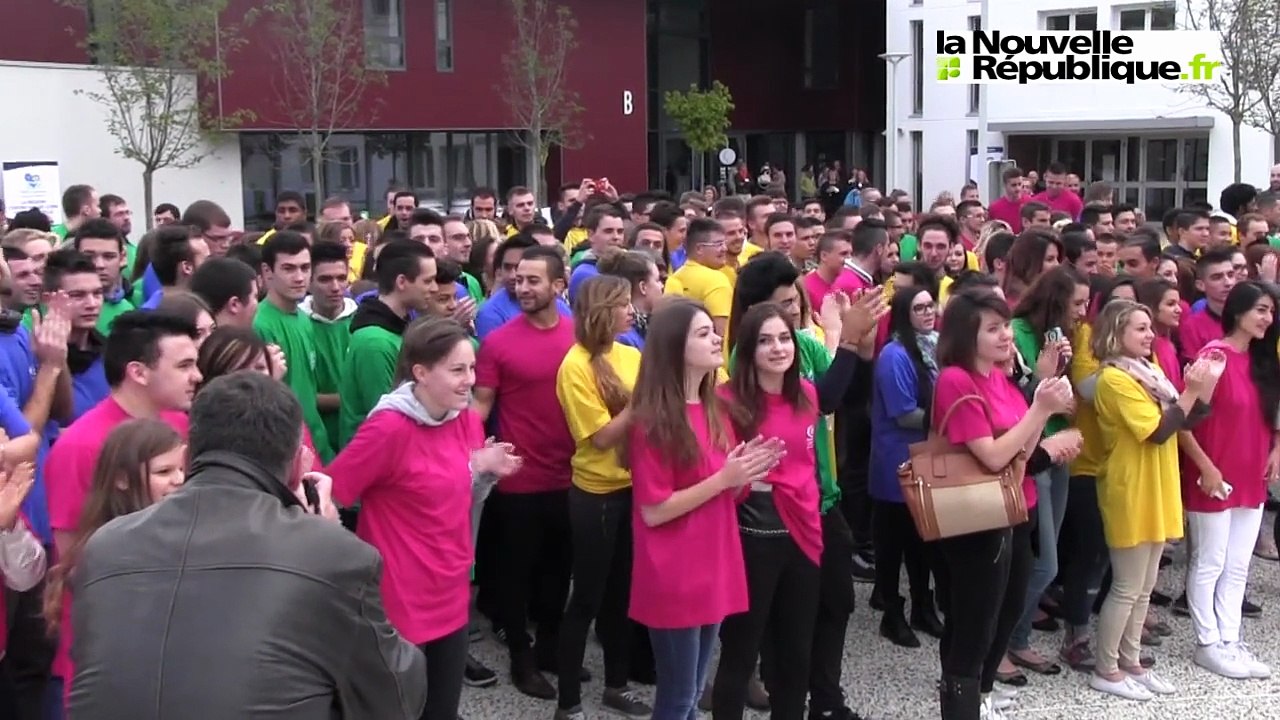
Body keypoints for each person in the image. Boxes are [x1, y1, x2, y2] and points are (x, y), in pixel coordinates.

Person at [67, 371, 427, 718]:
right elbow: (396, 696)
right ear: (296, 468)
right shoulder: (333, 554)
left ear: (188, 459)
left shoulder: (103, 547)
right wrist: (324, 532)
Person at [329, 319, 521, 720]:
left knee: (442, 710)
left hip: (450, 586)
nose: (470, 381)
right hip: (399, 596)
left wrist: (484, 471)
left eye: (472, 368)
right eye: (457, 370)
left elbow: (463, 496)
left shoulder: (466, 419)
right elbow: (331, 494)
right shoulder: (388, 428)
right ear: (420, 372)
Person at [931, 289, 1078, 718]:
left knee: (1006, 611)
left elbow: (1021, 451)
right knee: (974, 623)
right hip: (976, 516)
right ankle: (962, 704)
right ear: (967, 335)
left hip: (1013, 504)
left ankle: (982, 694)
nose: (1005, 336)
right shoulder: (956, 379)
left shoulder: (999, 376)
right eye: (993, 329)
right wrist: (1039, 409)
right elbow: (993, 456)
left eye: (1005, 326)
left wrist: (1041, 410)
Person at [1090, 299, 1215, 700]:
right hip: (1131, 487)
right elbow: (1158, 430)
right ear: (1117, 333)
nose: (1149, 335)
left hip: (1158, 483)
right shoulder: (1114, 379)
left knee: (1145, 586)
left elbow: (1183, 418)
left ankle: (1131, 661)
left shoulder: (1149, 371)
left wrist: (1202, 390)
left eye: (1149, 327)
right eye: (1140, 328)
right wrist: (1190, 392)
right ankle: (1106, 668)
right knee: (1127, 586)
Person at [471, 245, 577, 699]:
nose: (522, 286)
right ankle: (521, 656)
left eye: (533, 280)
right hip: (519, 480)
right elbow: (480, 406)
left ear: (559, 285)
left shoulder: (579, 335)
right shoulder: (498, 342)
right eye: (517, 279)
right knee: (516, 576)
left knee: (559, 572)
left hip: (571, 477)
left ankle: (550, 649)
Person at [711, 302, 824, 719]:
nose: (778, 348)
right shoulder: (727, 400)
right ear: (747, 349)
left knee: (796, 651)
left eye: (784, 338)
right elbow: (723, 475)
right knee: (741, 650)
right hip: (753, 534)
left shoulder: (807, 393)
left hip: (806, 531)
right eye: (764, 341)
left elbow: (811, 462)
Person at [554, 275, 651, 720]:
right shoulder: (575, 366)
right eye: (622, 303)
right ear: (600, 311)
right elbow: (601, 438)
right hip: (597, 495)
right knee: (587, 598)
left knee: (622, 595)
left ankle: (617, 685)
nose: (630, 310)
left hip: (635, 487)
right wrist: (643, 402)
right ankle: (568, 702)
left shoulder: (631, 353)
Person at [43, 419, 185, 710]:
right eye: (164, 472)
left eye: (182, 469)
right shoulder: (103, 555)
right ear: (121, 479)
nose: (179, 480)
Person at [1181, 282, 1279, 680]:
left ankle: (1230, 638)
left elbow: (1269, 414)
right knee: (1210, 560)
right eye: (1260, 309)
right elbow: (1184, 422)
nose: (1267, 318)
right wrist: (1206, 467)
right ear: (1238, 311)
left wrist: (1276, 449)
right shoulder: (1213, 357)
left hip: (1252, 472)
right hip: (1214, 472)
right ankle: (1208, 642)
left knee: (1238, 564)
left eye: (1270, 311)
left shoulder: (1263, 361)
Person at [45, 311, 200, 557]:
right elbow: (70, 551)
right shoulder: (80, 445)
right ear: (138, 372)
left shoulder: (180, 423)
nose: (197, 376)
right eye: (184, 366)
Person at [868, 287, 944, 649]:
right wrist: (949, 419)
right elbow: (903, 413)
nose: (928, 312)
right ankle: (892, 613)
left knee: (922, 541)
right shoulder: (893, 355)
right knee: (892, 544)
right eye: (919, 308)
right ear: (903, 314)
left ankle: (922, 606)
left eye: (930, 305)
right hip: (895, 460)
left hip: (925, 456)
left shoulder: (935, 345)